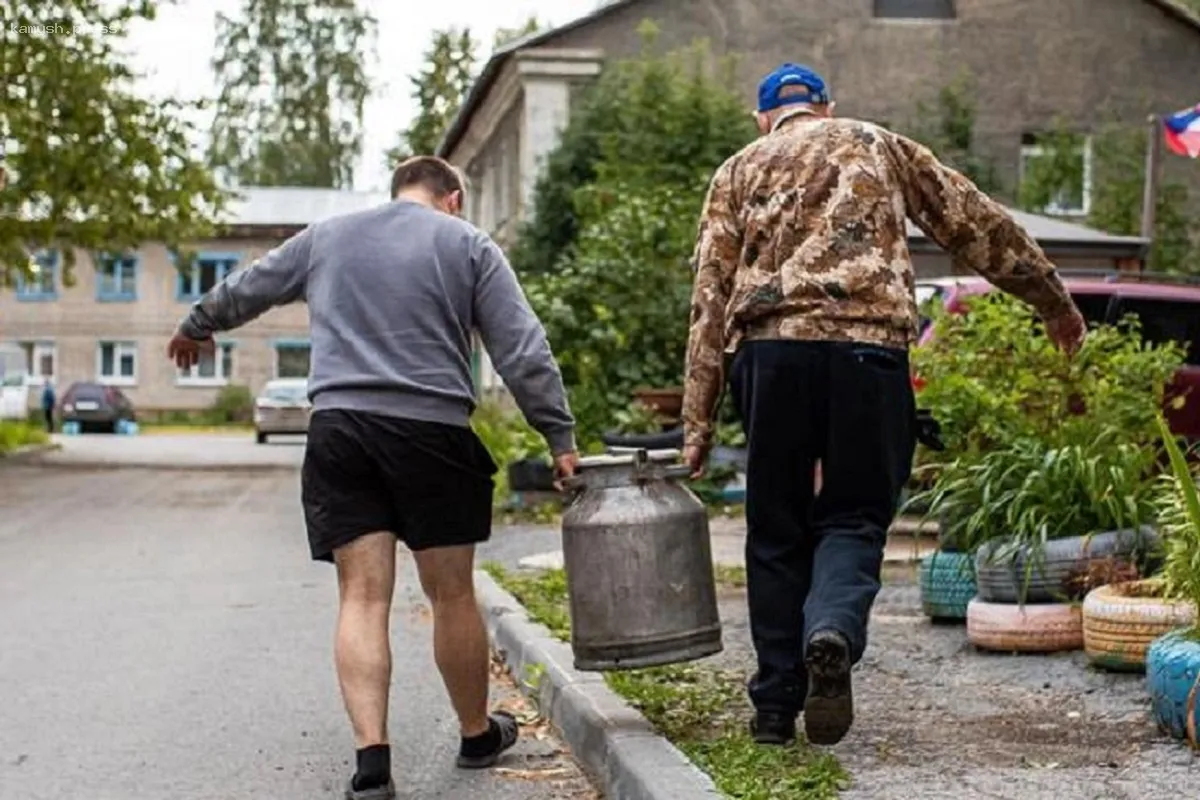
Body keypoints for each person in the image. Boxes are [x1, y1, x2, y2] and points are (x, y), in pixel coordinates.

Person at [680, 64, 1087, 749]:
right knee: (856, 515)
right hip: (870, 356)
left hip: (772, 356)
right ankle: (833, 628)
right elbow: (975, 222)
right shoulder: (879, 144)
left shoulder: (738, 170)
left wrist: (697, 420)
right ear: (827, 107)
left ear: (764, 119)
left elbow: (710, 295)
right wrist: (1053, 300)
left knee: (775, 528)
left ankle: (776, 707)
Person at [166, 156, 579, 800]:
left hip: (341, 431)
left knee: (362, 597)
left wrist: (198, 324)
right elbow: (521, 347)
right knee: (451, 595)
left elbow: (252, 284)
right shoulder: (467, 242)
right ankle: (476, 734)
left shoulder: (328, 237)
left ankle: (372, 765)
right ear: (454, 197)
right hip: (431, 433)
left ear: (397, 193)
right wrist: (559, 436)